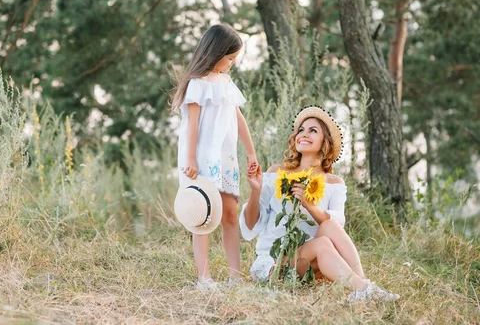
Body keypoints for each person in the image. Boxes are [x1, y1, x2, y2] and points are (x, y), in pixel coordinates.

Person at [240, 106, 400, 302]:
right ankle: (364, 289)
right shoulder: (276, 173)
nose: (303, 134)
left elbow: (337, 226)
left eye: (312, 130)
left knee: (329, 225)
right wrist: (256, 190)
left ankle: (364, 286)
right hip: (276, 264)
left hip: (311, 264)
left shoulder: (334, 183)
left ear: (325, 142)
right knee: (322, 243)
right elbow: (250, 224)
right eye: (301, 130)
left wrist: (309, 204)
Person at [171, 23, 259, 289]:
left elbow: (238, 118)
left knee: (230, 214)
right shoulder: (197, 85)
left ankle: (235, 276)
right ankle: (204, 278)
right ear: (216, 53)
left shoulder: (226, 83)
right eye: (230, 58)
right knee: (204, 216)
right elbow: (193, 125)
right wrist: (190, 160)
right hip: (200, 157)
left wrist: (251, 151)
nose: (232, 63)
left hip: (225, 157)